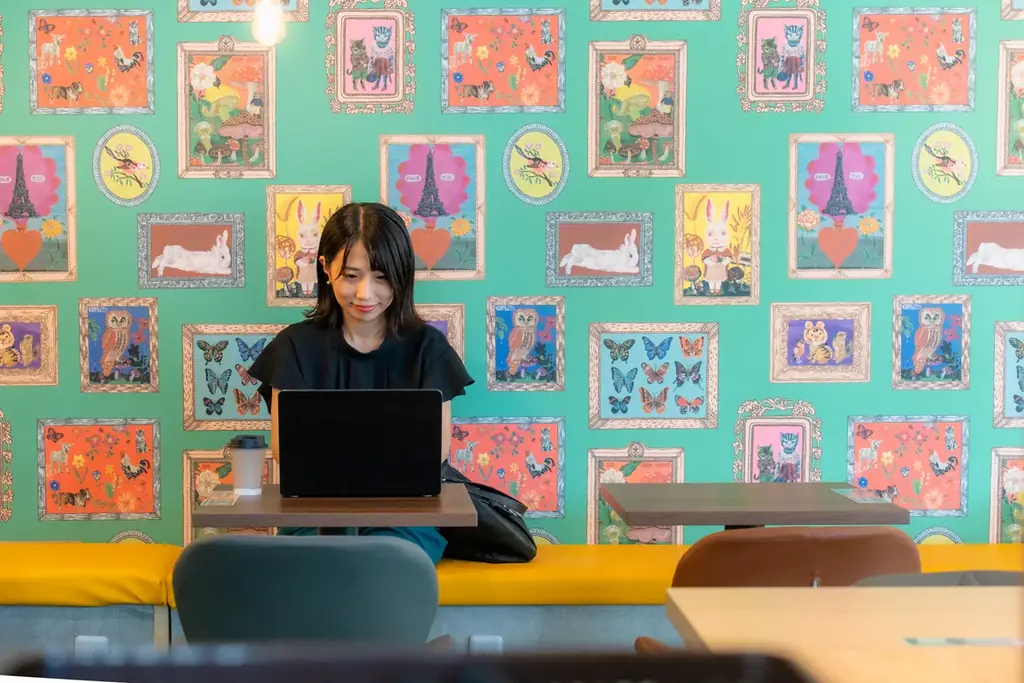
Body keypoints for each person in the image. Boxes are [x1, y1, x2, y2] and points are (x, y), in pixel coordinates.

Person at [248, 202, 474, 565]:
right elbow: (284, 452)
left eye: (382, 277)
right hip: (313, 519)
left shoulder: (427, 348)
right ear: (325, 268)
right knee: (315, 564)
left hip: (406, 521)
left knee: (387, 562)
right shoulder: (294, 347)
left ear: (402, 275)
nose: (366, 294)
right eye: (351, 276)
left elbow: (437, 452)